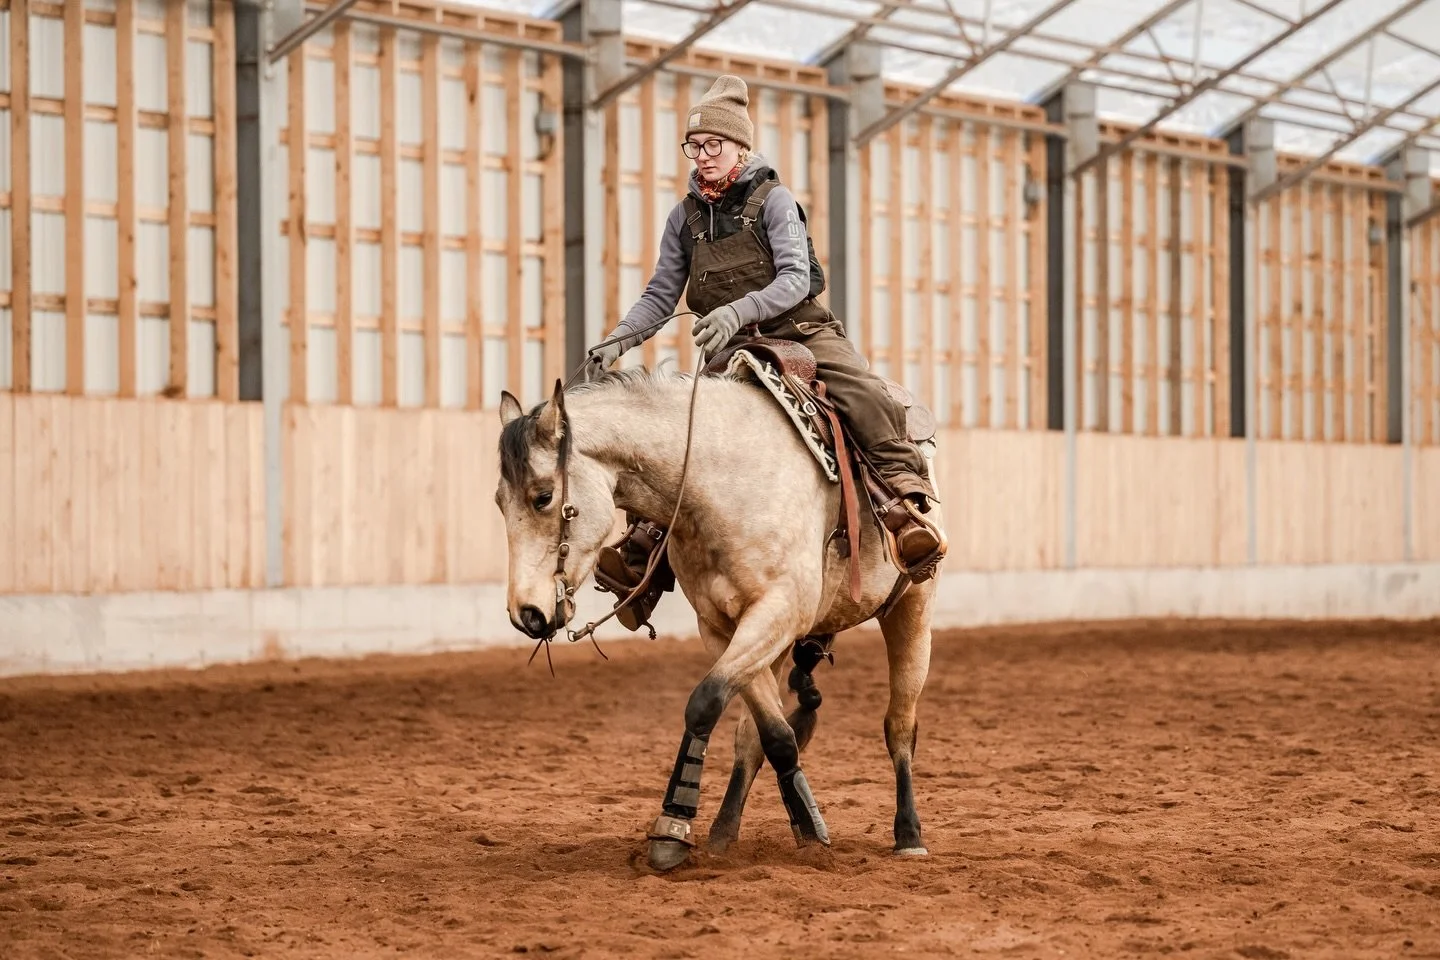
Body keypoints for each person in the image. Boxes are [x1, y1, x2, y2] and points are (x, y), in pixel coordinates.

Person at [589, 75, 946, 584]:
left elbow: (796, 278)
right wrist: (618, 339)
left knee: (863, 393)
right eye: (695, 145)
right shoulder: (683, 219)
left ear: (740, 145)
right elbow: (660, 294)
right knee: (680, 432)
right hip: (733, 350)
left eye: (714, 144)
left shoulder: (775, 201)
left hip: (802, 332)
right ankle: (645, 549)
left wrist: (738, 310)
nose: (703, 156)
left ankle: (902, 504)